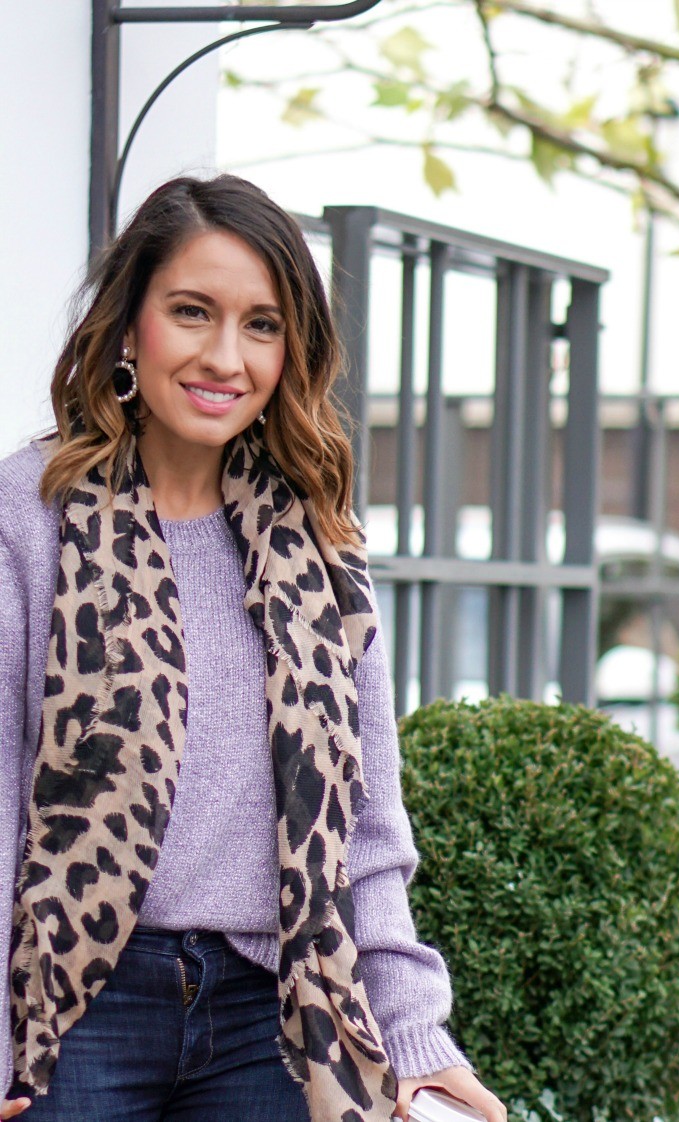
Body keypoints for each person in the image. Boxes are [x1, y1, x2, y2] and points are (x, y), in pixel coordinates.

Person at [0, 175, 506, 1122]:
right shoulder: (30, 518)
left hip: (271, 1015)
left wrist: (414, 1041)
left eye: (261, 325)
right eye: (192, 312)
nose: (224, 356)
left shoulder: (319, 538)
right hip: (76, 1013)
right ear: (128, 323)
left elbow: (365, 825)